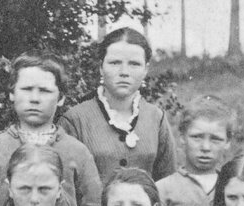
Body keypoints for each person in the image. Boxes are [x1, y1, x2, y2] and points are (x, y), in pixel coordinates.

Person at [0, 51, 101, 206]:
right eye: (26, 89)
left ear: (61, 98)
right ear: (12, 93)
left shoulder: (78, 152)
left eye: (45, 91)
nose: (34, 98)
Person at [58, 27, 176, 185]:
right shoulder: (74, 120)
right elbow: (64, 187)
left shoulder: (156, 118)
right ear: (101, 67)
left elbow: (167, 183)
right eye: (115, 63)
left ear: (145, 70)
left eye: (134, 64)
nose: (124, 72)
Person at [157, 95, 235, 206]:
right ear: (182, 137)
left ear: (228, 142)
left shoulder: (233, 188)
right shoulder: (163, 189)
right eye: (197, 137)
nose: (205, 147)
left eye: (215, 139)